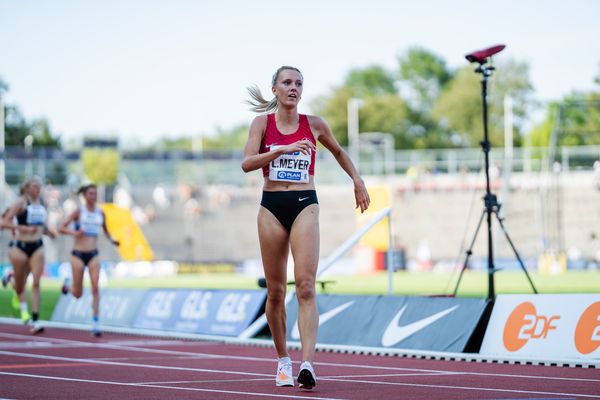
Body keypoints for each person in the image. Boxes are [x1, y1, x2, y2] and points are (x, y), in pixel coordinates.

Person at [241, 66, 370, 390]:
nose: (294, 88)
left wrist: (356, 179)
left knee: (306, 286)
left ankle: (308, 364)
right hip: (271, 207)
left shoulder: (314, 125)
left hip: (304, 203)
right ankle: (283, 359)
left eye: (299, 83)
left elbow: (339, 151)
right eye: (287, 82)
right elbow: (246, 163)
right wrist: (281, 150)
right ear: (275, 89)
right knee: (275, 292)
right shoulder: (262, 124)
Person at [58, 184, 119, 337]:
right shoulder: (79, 211)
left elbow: (106, 231)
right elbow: (61, 228)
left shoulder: (100, 212)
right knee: (78, 293)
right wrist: (75, 232)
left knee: (95, 287)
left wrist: (113, 241)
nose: (94, 196)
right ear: (85, 196)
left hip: (93, 254)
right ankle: (68, 284)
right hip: (78, 254)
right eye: (91, 193)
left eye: (95, 193)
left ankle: (96, 323)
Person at [1, 176, 56, 334]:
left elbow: (41, 224)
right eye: (34, 186)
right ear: (26, 188)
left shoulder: (43, 203)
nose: (37, 188)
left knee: (36, 282)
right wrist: (23, 229)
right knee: (20, 284)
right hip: (20, 246)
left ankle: (35, 319)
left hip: (37, 246)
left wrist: (48, 232)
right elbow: (3, 222)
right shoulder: (21, 202)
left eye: (39, 185)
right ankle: (11, 280)